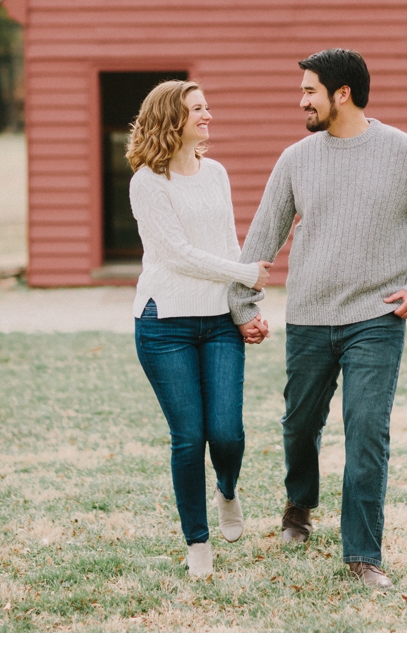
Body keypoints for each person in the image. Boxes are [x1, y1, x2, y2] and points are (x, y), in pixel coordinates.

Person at [229, 48, 407, 590]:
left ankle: (362, 554)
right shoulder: (295, 159)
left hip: (375, 317)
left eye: (309, 90)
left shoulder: (405, 152)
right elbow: (264, 235)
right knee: (299, 424)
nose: (301, 99)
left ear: (342, 94)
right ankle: (300, 503)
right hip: (309, 315)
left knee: (366, 430)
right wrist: (244, 304)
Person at [127, 80, 274, 579]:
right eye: (197, 109)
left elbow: (227, 243)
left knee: (227, 433)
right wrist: (246, 273)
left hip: (219, 324)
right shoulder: (148, 181)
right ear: (173, 118)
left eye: (207, 107)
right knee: (189, 437)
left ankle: (227, 489)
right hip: (163, 324)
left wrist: (244, 308)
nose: (208, 115)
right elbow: (177, 256)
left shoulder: (215, 174)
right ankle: (198, 542)